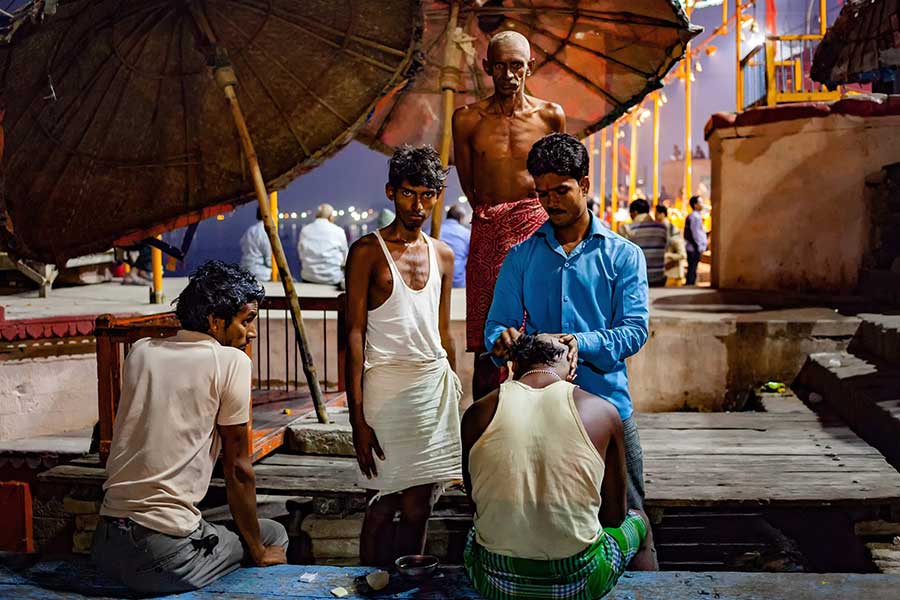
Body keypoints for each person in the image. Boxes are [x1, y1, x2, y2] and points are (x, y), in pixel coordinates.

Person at [485, 133, 656, 567]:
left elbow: (635, 331)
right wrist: (501, 341)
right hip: (539, 413)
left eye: (561, 190)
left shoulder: (623, 255)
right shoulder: (521, 257)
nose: (550, 202)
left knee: (629, 516)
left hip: (609, 405)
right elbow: (496, 326)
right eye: (542, 193)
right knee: (551, 521)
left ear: (585, 184)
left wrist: (582, 342)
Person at [91, 261, 287, 595]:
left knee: (219, 522)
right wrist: (257, 550)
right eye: (246, 320)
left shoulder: (141, 351)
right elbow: (239, 470)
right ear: (215, 321)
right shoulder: (231, 362)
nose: (251, 332)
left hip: (107, 543)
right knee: (272, 535)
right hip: (162, 558)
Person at [462, 334, 654, 599]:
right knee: (639, 520)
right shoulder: (602, 412)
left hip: (495, 579)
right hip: (580, 580)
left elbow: (475, 503)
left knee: (476, 532)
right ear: (571, 367)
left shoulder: (478, 412)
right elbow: (614, 517)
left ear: (514, 366)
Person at [344, 145, 461, 567]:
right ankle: (369, 583)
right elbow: (354, 334)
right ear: (392, 192)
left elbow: (444, 332)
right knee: (382, 500)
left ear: (438, 195)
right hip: (385, 388)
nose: (418, 204)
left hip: (432, 387)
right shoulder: (366, 252)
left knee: (420, 505)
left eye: (428, 194)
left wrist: (456, 395)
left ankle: (408, 585)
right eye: (410, 193)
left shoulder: (443, 255)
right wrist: (357, 420)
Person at [452, 29, 565, 399]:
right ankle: (485, 432)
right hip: (489, 232)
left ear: (530, 67)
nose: (508, 76)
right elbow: (470, 186)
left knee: (541, 337)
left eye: (516, 66)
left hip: (537, 230)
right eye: (499, 67)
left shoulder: (550, 115)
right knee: (489, 346)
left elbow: (557, 174)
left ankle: (540, 423)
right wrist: (497, 218)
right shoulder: (467, 119)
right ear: (486, 67)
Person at [298, 203, 349, 286]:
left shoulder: (305, 230)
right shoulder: (339, 231)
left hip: (308, 278)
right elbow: (346, 258)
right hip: (333, 279)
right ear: (330, 217)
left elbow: (301, 255)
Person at [621, 199, 668, 288]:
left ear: (635, 212)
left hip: (636, 279)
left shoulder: (626, 229)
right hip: (658, 277)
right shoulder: (662, 228)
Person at [439, 204, 471, 288]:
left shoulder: (433, 231)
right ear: (461, 218)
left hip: (437, 281)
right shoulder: (467, 234)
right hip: (458, 283)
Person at [656, 205, 687, 286]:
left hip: (673, 273)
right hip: (665, 273)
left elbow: (682, 254)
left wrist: (667, 255)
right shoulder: (661, 228)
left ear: (662, 214)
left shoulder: (671, 229)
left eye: (656, 213)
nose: (655, 216)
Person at [239, 208, 272, 283]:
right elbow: (269, 260)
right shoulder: (266, 231)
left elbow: (243, 246)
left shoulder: (251, 230)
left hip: (246, 271)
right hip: (261, 274)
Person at [684, 195, 708, 286]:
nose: (702, 204)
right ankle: (690, 286)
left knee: (693, 268)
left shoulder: (696, 216)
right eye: (700, 202)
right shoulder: (695, 217)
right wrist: (698, 246)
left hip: (694, 247)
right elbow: (695, 233)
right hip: (694, 247)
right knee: (692, 268)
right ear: (695, 205)